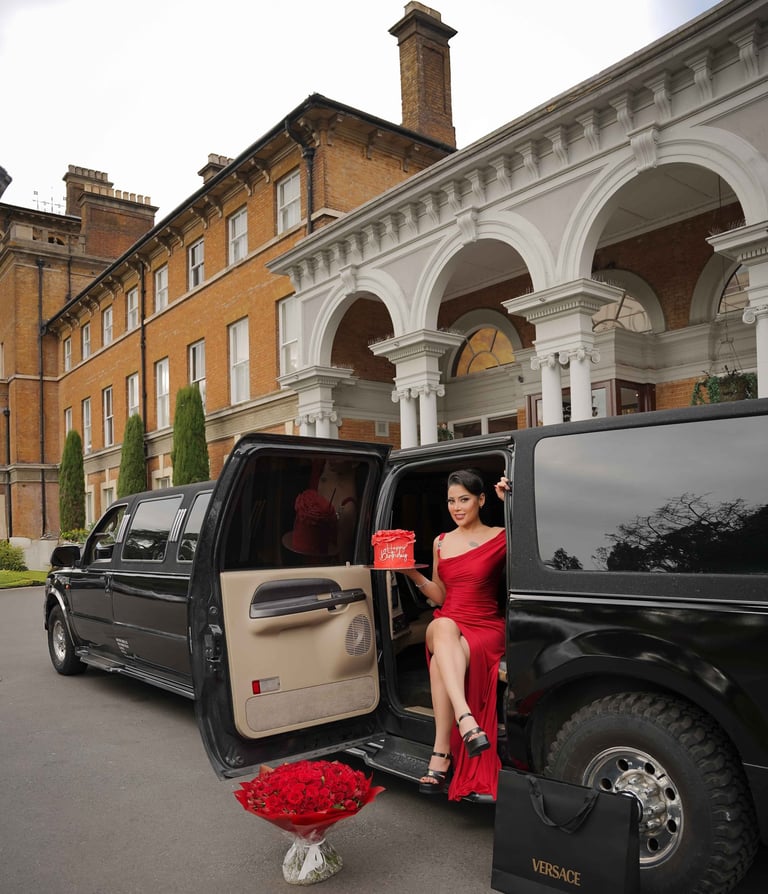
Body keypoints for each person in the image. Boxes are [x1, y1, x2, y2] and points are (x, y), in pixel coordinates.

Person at [403, 469, 510, 802]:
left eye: (464, 499)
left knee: (438, 664)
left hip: (486, 626)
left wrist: (512, 502)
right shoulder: (440, 541)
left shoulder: (502, 535)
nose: (457, 507)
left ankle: (441, 752)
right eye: (451, 501)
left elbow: (539, 535)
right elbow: (441, 596)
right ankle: (467, 721)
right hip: (451, 620)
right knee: (444, 624)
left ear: (481, 499)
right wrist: (410, 571)